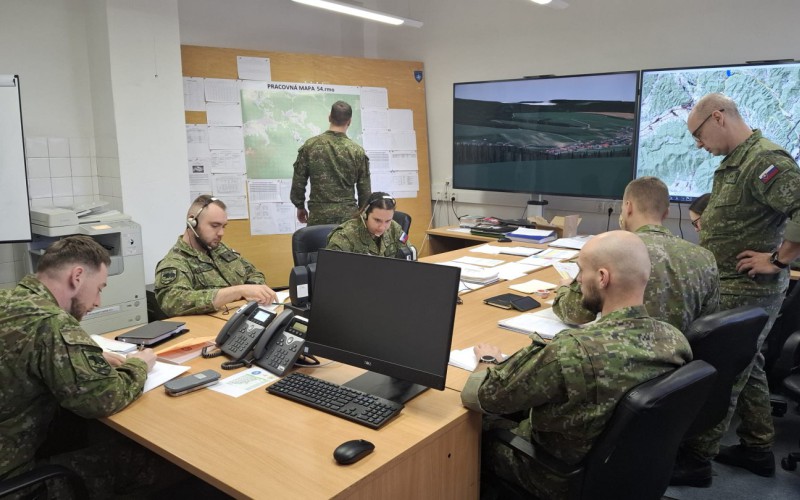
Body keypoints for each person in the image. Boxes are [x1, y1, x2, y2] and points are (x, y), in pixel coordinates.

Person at [462, 231, 692, 499]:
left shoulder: (571, 351)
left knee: (472, 436)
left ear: (603, 278)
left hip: (557, 476)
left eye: (581, 272)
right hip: (625, 470)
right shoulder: (675, 339)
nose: (578, 280)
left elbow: (478, 396)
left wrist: (487, 360)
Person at [674, 93, 800, 485]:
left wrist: (778, 260)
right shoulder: (739, 159)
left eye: (697, 133)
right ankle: (758, 448)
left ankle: (697, 460)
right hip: (729, 285)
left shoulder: (764, 160)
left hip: (749, 289)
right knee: (749, 363)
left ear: (718, 117)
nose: (698, 143)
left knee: (724, 370)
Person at [0, 235, 167, 497]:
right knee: (144, 461)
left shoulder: (8, 300)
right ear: (77, 276)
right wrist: (138, 365)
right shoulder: (52, 323)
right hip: (14, 481)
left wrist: (87, 355)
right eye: (100, 287)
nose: (98, 301)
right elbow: (103, 398)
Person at [552, 177, 719, 333]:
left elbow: (574, 312)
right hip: (683, 358)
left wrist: (564, 289)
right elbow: (707, 324)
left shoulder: (613, 250)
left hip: (622, 356)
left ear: (628, 207)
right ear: (666, 213)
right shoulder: (705, 258)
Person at [155, 195, 277, 317]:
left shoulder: (220, 249)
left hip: (241, 317)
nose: (221, 233)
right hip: (208, 329)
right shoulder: (175, 262)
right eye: (214, 226)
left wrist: (252, 291)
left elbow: (253, 273)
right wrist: (239, 291)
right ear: (192, 222)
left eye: (223, 226)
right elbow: (172, 301)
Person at [290, 100, 371, 226]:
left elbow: (298, 182)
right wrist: (362, 215)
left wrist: (299, 206)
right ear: (349, 121)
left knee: (318, 245)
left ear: (329, 117)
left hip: (318, 217)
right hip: (348, 219)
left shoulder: (310, 146)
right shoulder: (357, 151)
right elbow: (365, 191)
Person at [325, 191, 413, 258]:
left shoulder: (395, 228)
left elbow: (410, 254)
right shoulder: (344, 236)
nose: (382, 227)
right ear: (365, 215)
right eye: (377, 220)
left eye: (387, 221)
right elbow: (333, 271)